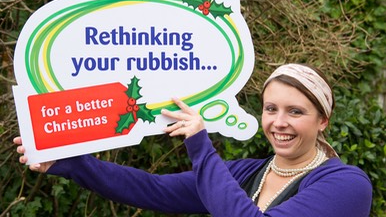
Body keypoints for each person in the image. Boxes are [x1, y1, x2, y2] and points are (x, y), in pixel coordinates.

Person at [14, 63, 372, 216]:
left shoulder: (346, 184)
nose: (279, 122)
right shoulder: (249, 173)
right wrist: (71, 162)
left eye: (296, 112)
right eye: (271, 108)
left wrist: (201, 146)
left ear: (323, 120)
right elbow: (153, 190)